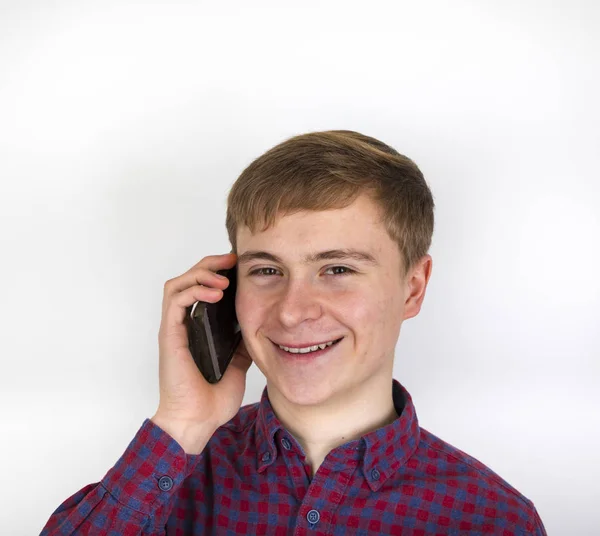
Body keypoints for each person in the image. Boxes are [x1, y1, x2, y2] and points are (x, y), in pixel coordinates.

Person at [41, 130, 547, 535]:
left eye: (338, 270)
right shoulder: (166, 481)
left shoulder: (493, 519)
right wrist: (180, 424)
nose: (291, 312)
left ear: (412, 289)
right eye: (267, 271)